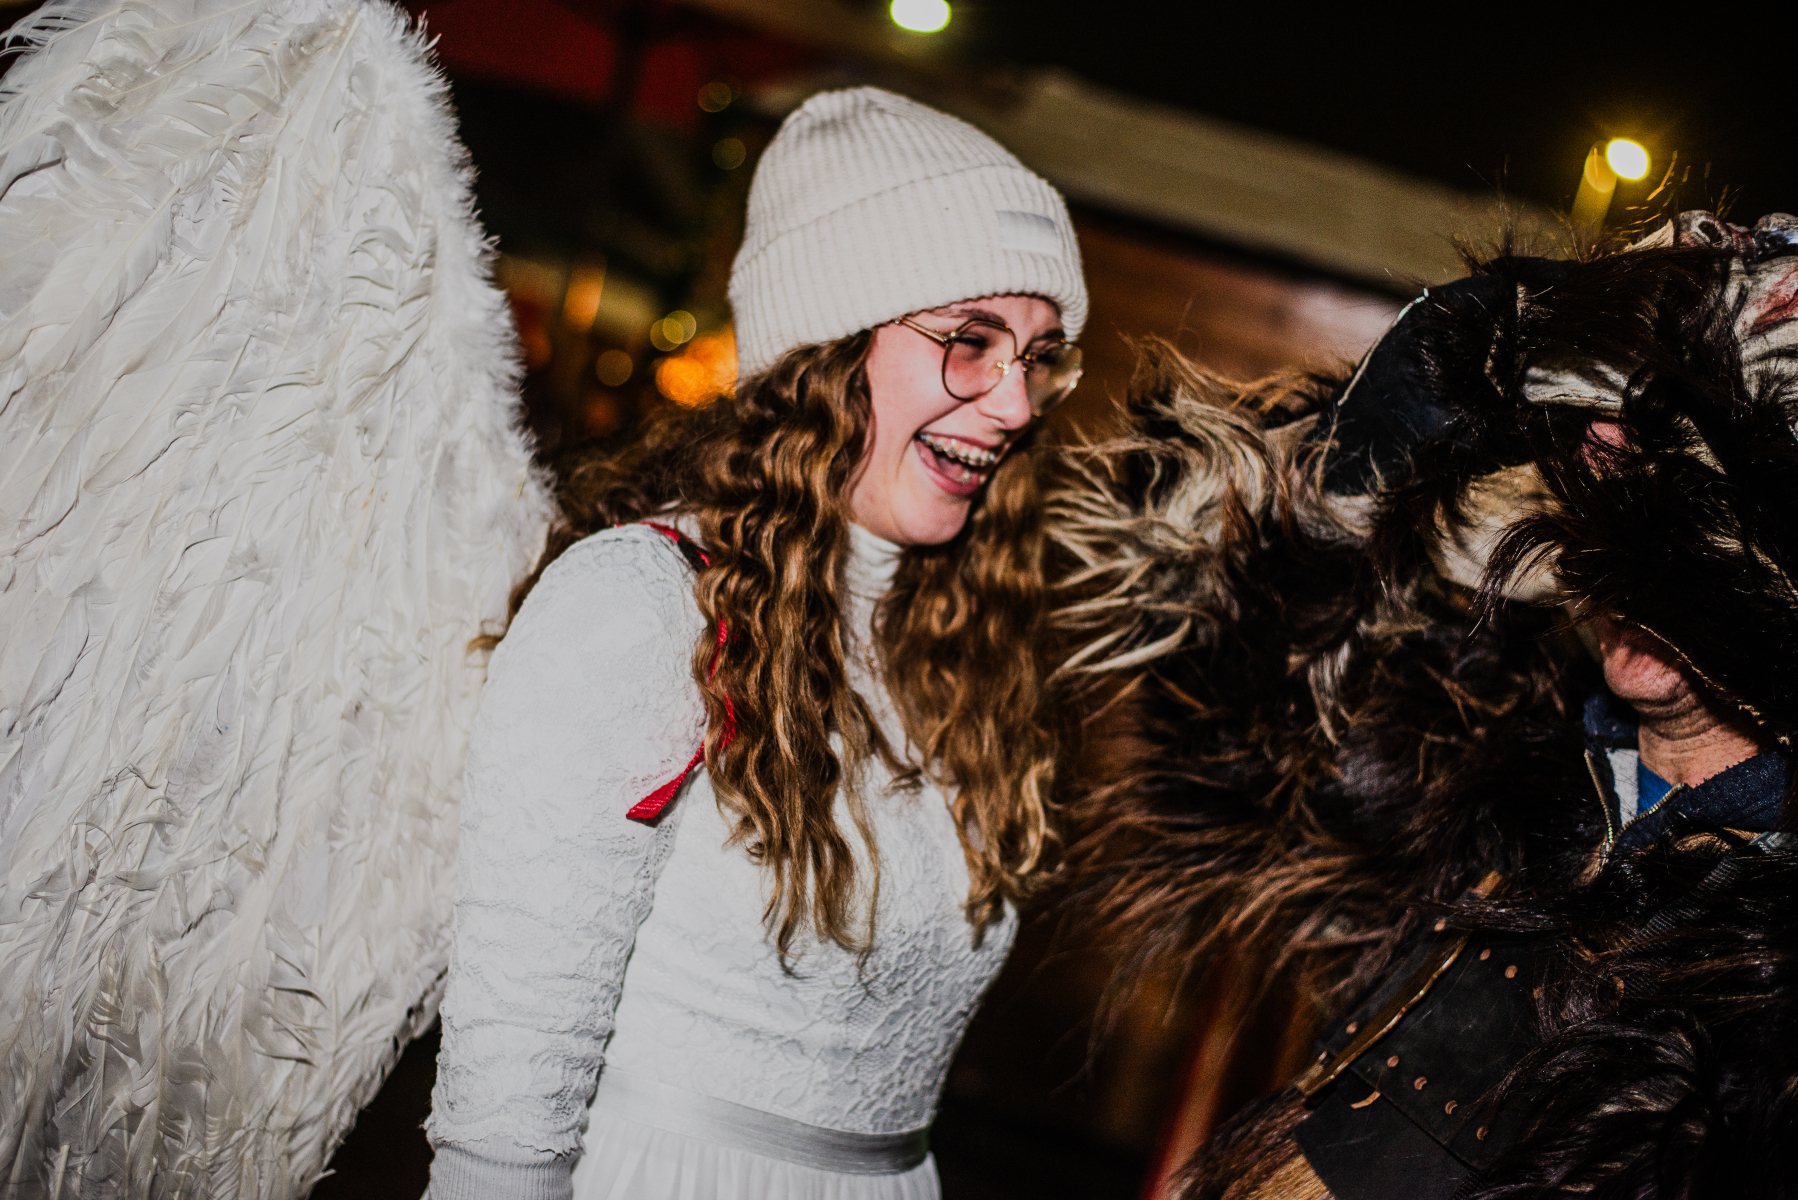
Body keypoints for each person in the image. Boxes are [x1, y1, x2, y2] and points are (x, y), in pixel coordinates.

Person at [423, 87, 1088, 1200]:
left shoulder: (953, 645)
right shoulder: (644, 607)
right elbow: (503, 1108)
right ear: (828, 346)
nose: (1016, 404)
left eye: (1038, 357)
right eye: (971, 343)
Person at [1052, 212, 1796, 1198]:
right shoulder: (1509, 754)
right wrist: (1409, 409)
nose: (1626, 561)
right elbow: (1225, 730)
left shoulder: (1768, 941)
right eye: (1609, 496)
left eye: (1690, 519)